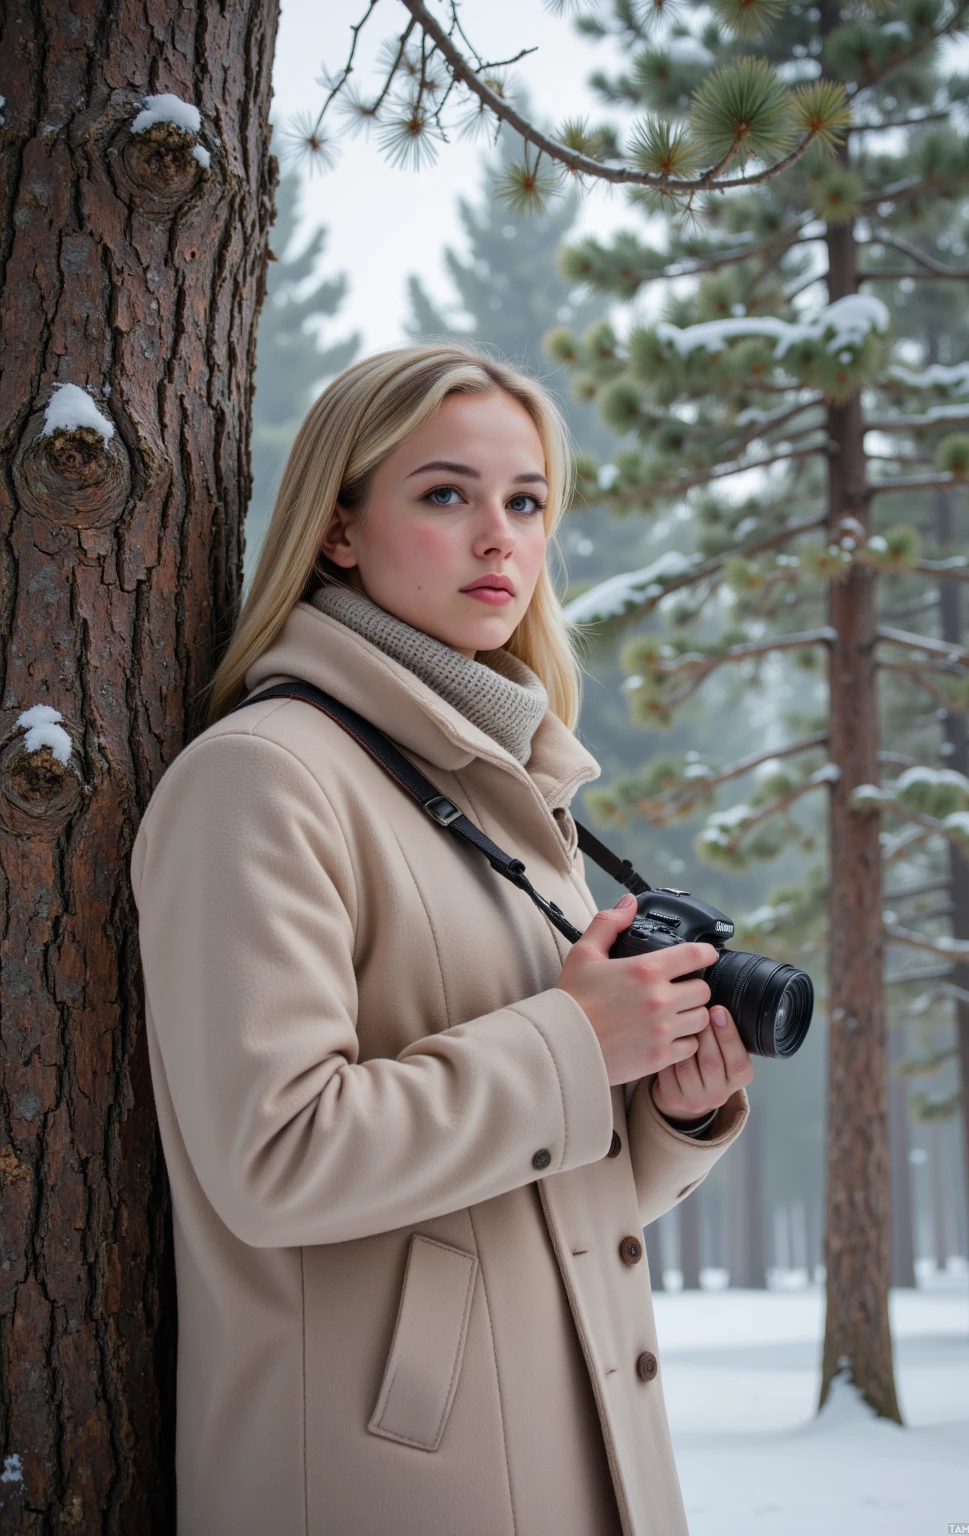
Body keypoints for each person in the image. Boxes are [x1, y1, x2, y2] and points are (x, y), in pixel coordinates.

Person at [131, 344, 752, 1536]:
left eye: (525, 502)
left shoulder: (514, 788)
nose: (498, 539)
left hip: (564, 1442)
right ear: (339, 529)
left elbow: (531, 1180)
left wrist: (665, 1113)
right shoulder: (263, 779)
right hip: (380, 1480)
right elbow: (276, 1158)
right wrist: (577, 1045)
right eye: (445, 494)